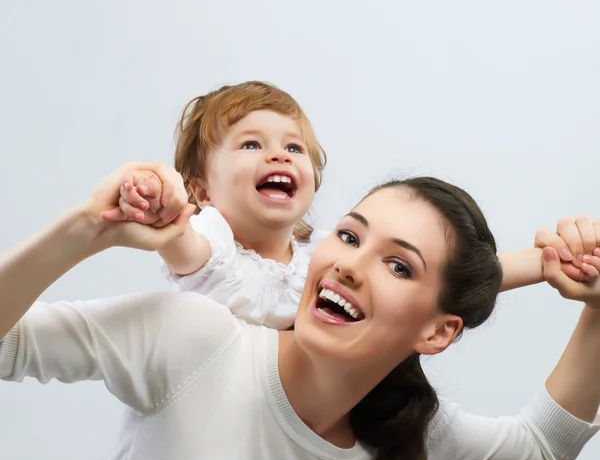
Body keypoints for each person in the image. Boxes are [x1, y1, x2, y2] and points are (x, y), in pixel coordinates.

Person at [1, 163, 599, 460]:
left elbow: (543, 450)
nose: (348, 265)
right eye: (349, 236)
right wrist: (87, 226)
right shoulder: (196, 343)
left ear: (439, 334)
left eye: (398, 266)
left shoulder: (409, 441)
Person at [105, 81, 594, 331]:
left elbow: (442, 275)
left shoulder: (323, 255)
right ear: (203, 192)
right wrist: (160, 207)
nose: (278, 154)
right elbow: (180, 242)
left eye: (294, 149)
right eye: (251, 145)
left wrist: (551, 262)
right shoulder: (209, 243)